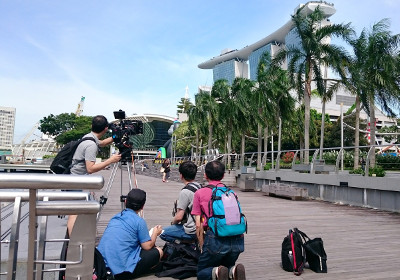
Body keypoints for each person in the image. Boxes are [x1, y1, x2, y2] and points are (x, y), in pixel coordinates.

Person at [67, 115, 122, 234]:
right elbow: (90, 168)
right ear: (105, 129)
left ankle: (77, 238)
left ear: (92, 126)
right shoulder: (91, 145)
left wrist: (115, 137)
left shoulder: (88, 137)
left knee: (76, 211)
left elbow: (101, 143)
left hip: (74, 178)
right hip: (75, 181)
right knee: (74, 213)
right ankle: (73, 244)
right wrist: (110, 160)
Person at [192, 160, 245, 280]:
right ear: (223, 175)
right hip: (236, 238)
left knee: (202, 271)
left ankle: (216, 272)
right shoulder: (231, 193)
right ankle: (233, 271)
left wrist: (201, 244)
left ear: (205, 175)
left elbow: (198, 224)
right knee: (227, 265)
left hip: (215, 238)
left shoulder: (200, 193)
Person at [97, 188, 164, 279]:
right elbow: (147, 246)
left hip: (101, 263)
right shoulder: (139, 221)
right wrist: (155, 233)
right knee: (158, 251)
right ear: (142, 206)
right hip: (120, 270)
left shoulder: (115, 218)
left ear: (125, 202)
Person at [160, 161, 202, 243]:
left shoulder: (185, 192)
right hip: (201, 226)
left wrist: (173, 223)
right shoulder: (199, 186)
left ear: (181, 175)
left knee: (162, 232)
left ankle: (186, 246)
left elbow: (179, 217)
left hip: (191, 230)